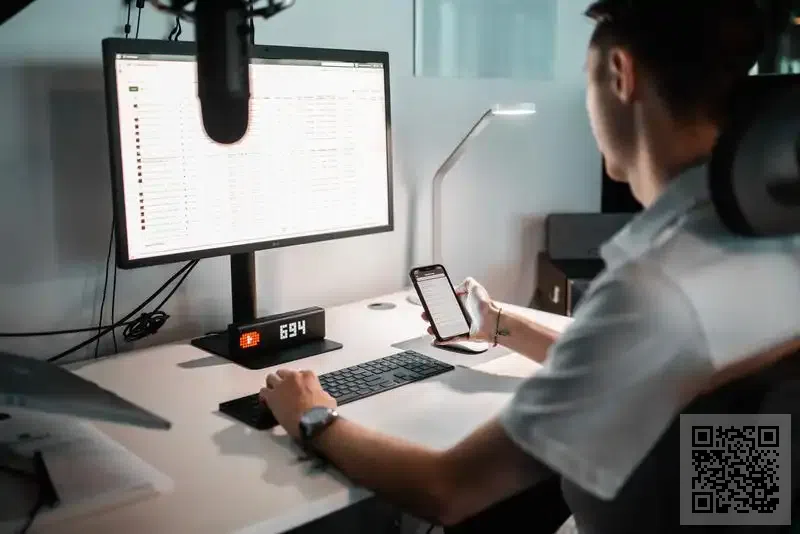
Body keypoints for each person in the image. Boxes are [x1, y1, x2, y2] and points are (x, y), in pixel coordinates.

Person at [260, 1, 800, 532]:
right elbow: (640, 366)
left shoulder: (657, 289)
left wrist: (314, 417)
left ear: (620, 73)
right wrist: (500, 325)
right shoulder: (765, 242)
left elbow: (448, 490)